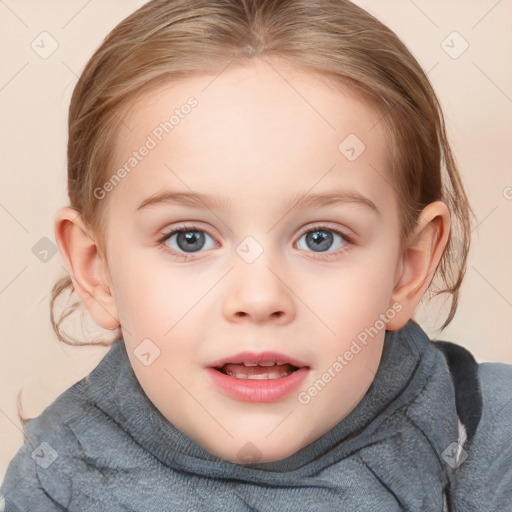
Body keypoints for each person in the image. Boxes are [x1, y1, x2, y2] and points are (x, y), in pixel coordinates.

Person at [2, 0, 511, 510]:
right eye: (189, 239)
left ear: (408, 266)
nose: (260, 297)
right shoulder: (57, 481)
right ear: (98, 271)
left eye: (321, 238)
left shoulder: (488, 437)